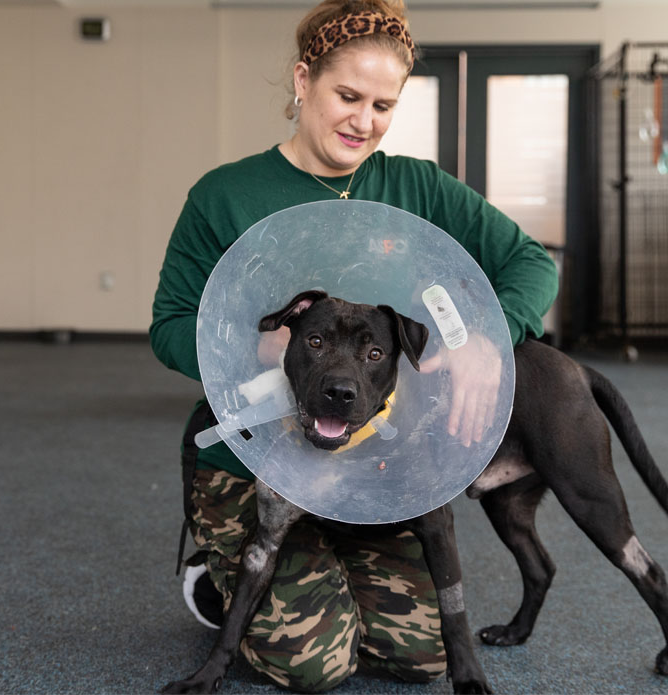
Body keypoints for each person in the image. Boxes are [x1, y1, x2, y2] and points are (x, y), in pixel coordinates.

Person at [149, 0, 559, 690]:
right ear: (303, 80)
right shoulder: (224, 195)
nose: (363, 121)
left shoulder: (416, 187)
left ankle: (333, 559)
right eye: (347, 95)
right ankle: (218, 570)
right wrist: (243, 348)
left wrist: (491, 338)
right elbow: (167, 326)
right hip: (258, 458)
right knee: (315, 664)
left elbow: (531, 263)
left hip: (378, 463)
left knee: (425, 656)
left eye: (382, 104)